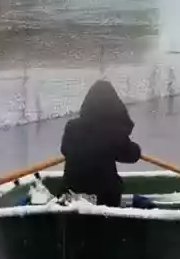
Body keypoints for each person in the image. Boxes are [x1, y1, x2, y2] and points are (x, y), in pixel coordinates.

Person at [61, 79, 143, 207]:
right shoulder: (111, 131)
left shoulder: (71, 126)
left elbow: (64, 150)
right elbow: (132, 155)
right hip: (104, 199)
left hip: (72, 196)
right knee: (137, 200)